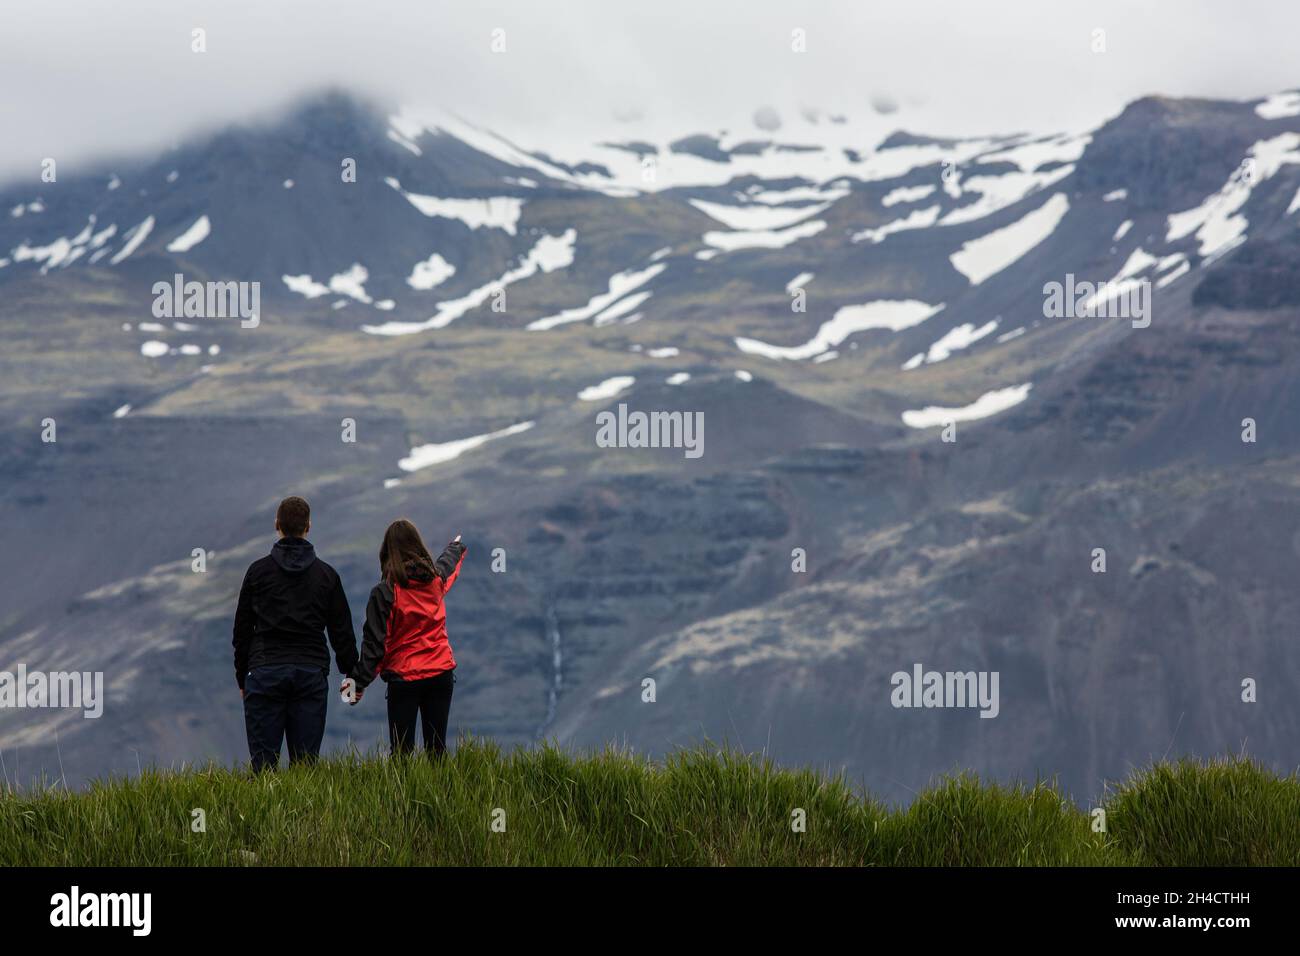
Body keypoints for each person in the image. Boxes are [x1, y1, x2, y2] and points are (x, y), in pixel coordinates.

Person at [232, 496, 359, 771]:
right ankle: (304, 815)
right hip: (310, 675)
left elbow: (242, 632)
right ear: (308, 527)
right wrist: (351, 675)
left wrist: (242, 675)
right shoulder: (327, 576)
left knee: (263, 769)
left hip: (264, 672)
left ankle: (265, 814)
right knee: (305, 768)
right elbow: (342, 633)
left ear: (277, 525)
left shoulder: (257, 573)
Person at [350, 519, 466, 757]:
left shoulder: (385, 592)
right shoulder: (435, 582)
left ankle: (404, 794)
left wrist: (357, 684)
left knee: (401, 753)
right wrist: (455, 547)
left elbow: (376, 646)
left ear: (387, 552)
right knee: (437, 750)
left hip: (405, 680)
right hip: (440, 674)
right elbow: (448, 565)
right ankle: (441, 794)